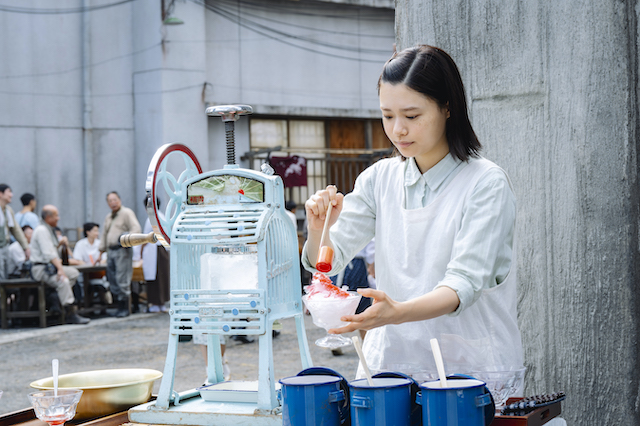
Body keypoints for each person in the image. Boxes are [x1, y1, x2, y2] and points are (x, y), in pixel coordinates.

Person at [302, 45, 523, 383]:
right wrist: (319, 228)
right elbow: (326, 263)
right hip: (391, 364)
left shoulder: (485, 183)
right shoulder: (379, 178)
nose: (397, 130)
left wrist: (397, 313)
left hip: (470, 368)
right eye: (387, 115)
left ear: (447, 108)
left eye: (412, 115)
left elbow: (462, 284)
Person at [31, 205, 90, 324]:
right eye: (56, 215)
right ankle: (69, 313)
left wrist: (61, 244)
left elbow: (53, 251)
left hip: (50, 267)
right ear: (48, 217)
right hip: (41, 268)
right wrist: (60, 270)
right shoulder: (42, 230)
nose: (58, 218)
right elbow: (48, 254)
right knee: (63, 281)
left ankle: (55, 297)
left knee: (73, 273)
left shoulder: (49, 229)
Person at [98, 191, 141, 317]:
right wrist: (101, 251)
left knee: (122, 278)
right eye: (110, 201)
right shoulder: (109, 216)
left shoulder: (126, 212)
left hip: (122, 249)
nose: (113, 203)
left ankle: (126, 308)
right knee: (112, 279)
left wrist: (127, 240)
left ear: (120, 200)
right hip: (111, 251)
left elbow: (136, 228)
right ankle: (119, 305)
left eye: (114, 200)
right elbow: (104, 234)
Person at [139, 197, 169, 313]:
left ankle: (156, 304)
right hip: (162, 250)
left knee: (157, 278)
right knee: (161, 277)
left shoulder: (152, 218)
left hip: (155, 251)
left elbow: (147, 238)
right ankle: (160, 303)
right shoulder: (161, 216)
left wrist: (140, 252)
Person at [0, 184, 30, 281]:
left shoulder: (8, 210)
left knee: (4, 275)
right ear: (1, 194)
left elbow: (16, 230)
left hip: (5, 246)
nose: (11, 195)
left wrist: (26, 247)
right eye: (9, 192)